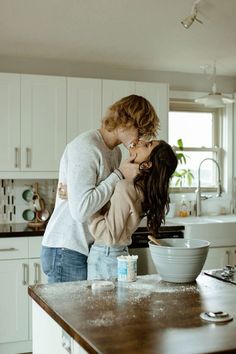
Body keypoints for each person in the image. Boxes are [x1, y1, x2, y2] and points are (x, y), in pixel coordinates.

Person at [41, 94, 159, 283]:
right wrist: (119, 174)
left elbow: (100, 198)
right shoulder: (86, 147)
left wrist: (75, 195)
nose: (140, 138)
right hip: (66, 248)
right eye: (140, 129)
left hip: (84, 246)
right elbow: (81, 211)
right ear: (125, 122)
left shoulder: (114, 151)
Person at [87, 140, 178, 280]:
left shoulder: (125, 187)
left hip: (105, 256)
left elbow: (109, 236)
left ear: (147, 164)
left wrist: (87, 204)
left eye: (148, 145)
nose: (141, 142)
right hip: (119, 255)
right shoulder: (141, 190)